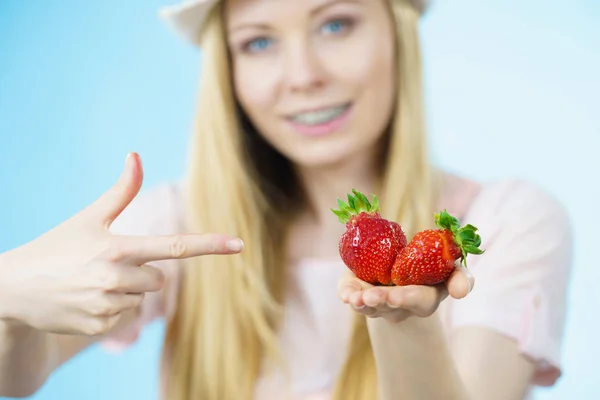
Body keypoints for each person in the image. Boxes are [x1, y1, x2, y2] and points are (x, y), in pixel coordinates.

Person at [0, 0, 573, 399]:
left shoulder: (504, 224)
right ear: (227, 72)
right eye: (259, 41)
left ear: (396, 34)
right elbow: (18, 376)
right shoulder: (178, 226)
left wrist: (405, 326)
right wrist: (13, 297)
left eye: (335, 25)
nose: (302, 76)